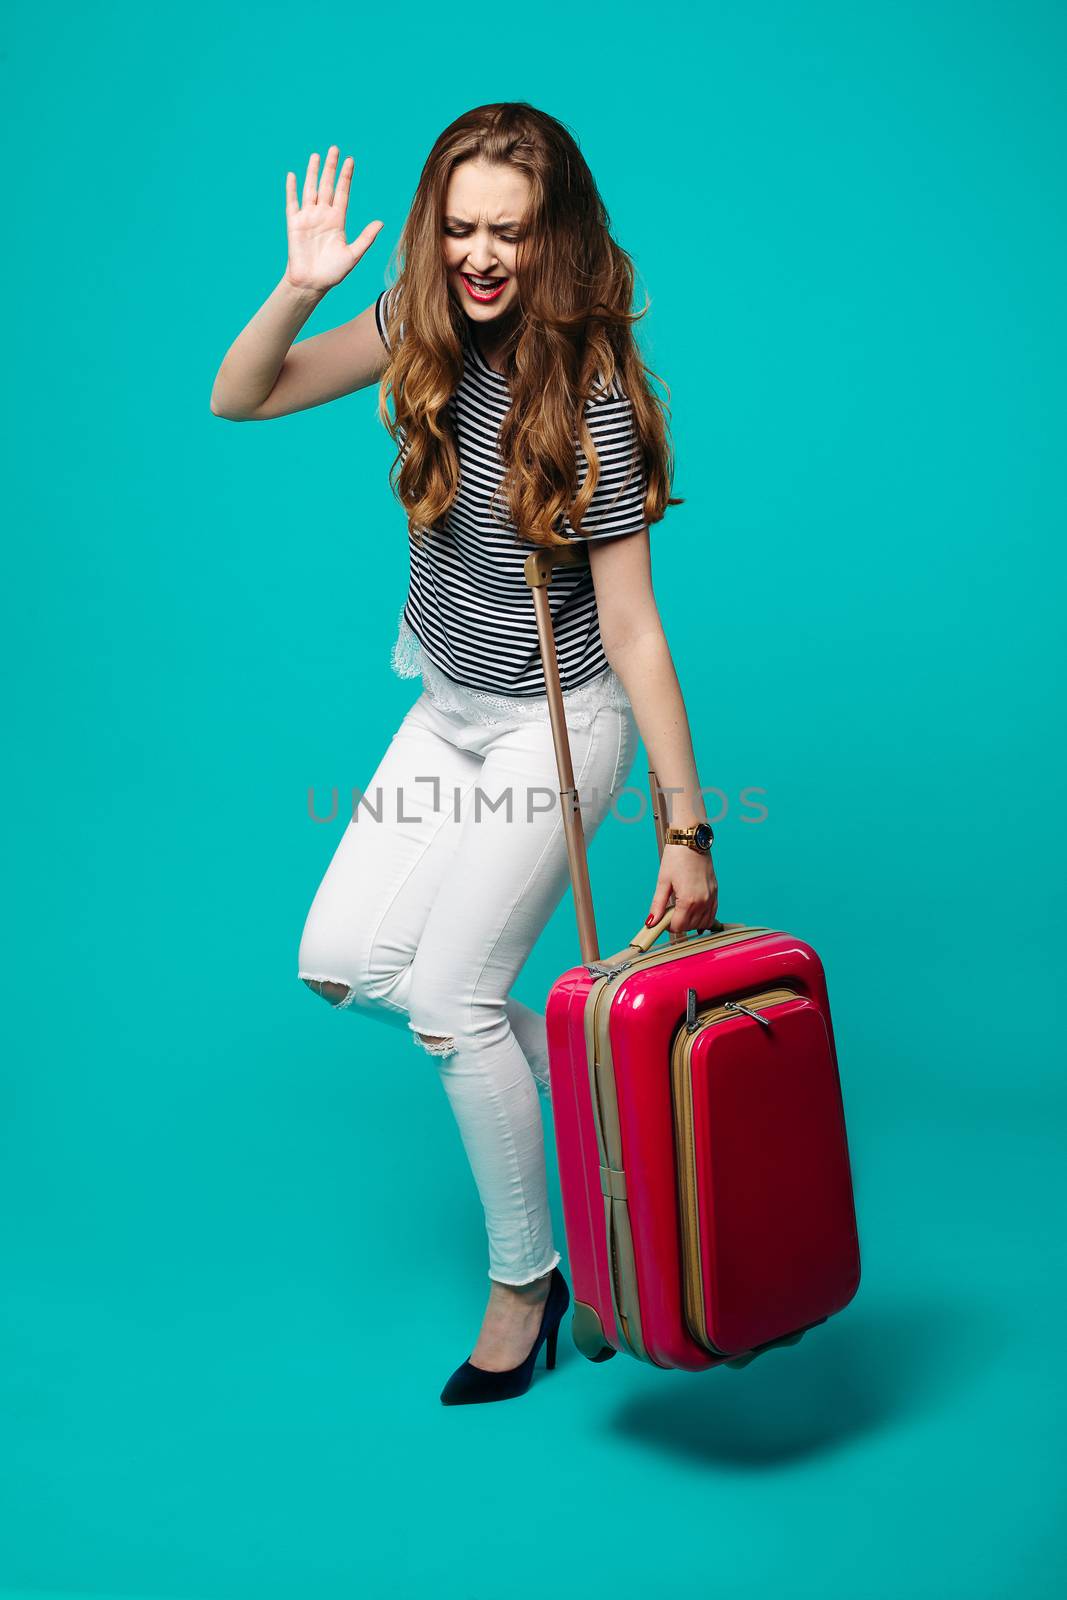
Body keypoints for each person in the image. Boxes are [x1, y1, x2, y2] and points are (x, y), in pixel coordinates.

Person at [210, 102, 719, 1405]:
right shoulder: (413, 326)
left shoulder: (591, 398)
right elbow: (241, 396)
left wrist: (684, 828)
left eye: (508, 232)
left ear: (555, 239)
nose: (481, 257)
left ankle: (526, 1277)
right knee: (340, 961)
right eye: (460, 229)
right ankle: (548, 1081)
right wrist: (300, 286)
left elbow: (637, 629)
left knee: (451, 1002)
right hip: (443, 708)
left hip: (563, 724)